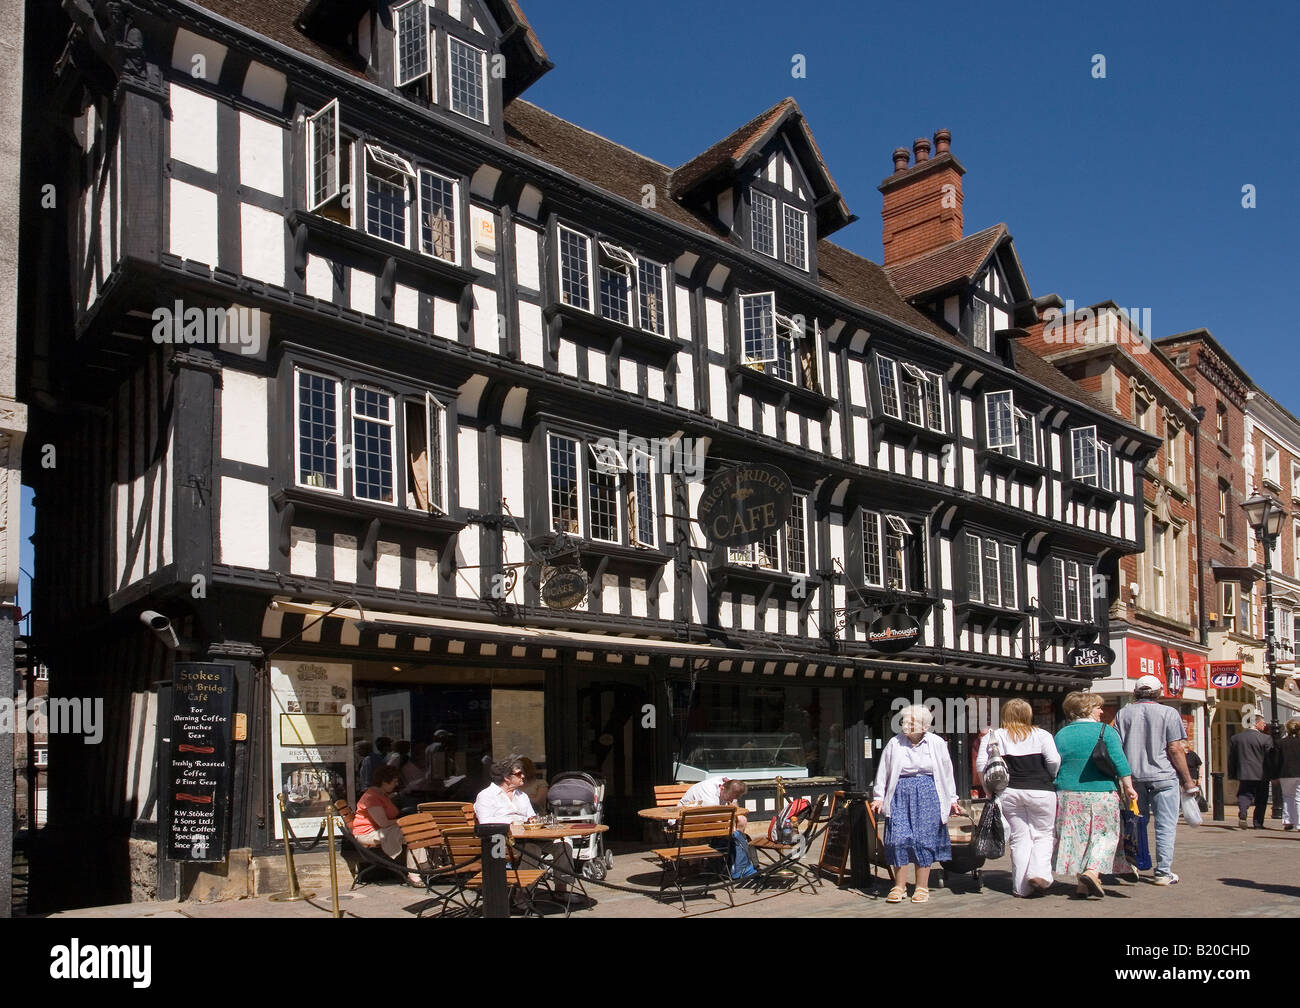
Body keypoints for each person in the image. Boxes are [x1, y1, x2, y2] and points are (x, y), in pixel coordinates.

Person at [871, 704, 962, 905]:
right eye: (904, 722)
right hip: (900, 794)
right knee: (898, 838)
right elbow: (883, 771)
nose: (906, 726)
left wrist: (953, 800)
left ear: (924, 726)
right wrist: (878, 796)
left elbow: (947, 773)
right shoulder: (894, 743)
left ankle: (921, 887)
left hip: (929, 793)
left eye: (911, 723)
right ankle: (899, 886)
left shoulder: (937, 743)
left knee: (924, 840)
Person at [1113, 674, 1197, 884]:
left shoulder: (1123, 714)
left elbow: (1117, 747)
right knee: (1165, 825)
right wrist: (1187, 780)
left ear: (1136, 692)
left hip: (1133, 778)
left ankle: (1134, 864)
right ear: (1159, 692)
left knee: (1134, 823)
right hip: (1164, 776)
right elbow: (1175, 748)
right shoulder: (1169, 713)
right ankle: (1163, 872)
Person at [1052, 691, 1138, 898]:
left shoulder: (1061, 734)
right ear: (1086, 709)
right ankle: (1092, 871)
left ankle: (1082, 884)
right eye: (1097, 707)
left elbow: (1054, 764)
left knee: (1078, 837)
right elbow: (1120, 762)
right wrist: (1129, 787)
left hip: (1067, 792)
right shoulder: (1105, 731)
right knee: (1105, 835)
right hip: (1100, 791)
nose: (1101, 710)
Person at [976, 698, 1060, 897]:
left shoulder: (994, 736)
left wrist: (988, 790)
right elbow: (1054, 761)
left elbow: (981, 764)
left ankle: (1021, 887)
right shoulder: (1042, 735)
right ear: (1028, 715)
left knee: (1019, 837)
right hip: (1041, 790)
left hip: (1009, 791)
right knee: (1043, 834)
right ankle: (1039, 873)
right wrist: (1050, 776)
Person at [475, 758, 576, 901]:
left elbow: (531, 818)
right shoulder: (486, 796)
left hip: (528, 837)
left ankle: (561, 890)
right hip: (501, 843)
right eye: (518, 773)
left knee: (564, 842)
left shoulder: (521, 795)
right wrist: (513, 823)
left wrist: (535, 822)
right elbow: (485, 825)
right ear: (506, 778)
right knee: (532, 849)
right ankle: (522, 896)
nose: (523, 776)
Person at [352, 765, 421, 884]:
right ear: (384, 781)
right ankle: (417, 872)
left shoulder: (381, 794)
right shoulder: (371, 797)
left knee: (417, 832)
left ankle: (422, 868)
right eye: (394, 781)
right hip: (368, 834)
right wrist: (405, 819)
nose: (396, 784)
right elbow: (383, 823)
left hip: (380, 831)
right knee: (413, 835)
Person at [680, 777, 758, 880]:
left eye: (733, 798)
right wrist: (730, 829)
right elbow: (714, 816)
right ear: (721, 788)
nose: (730, 800)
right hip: (690, 818)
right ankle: (695, 864)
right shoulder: (708, 794)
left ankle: (733, 858)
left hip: (711, 816)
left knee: (742, 820)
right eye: (730, 797)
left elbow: (734, 807)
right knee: (724, 829)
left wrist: (733, 821)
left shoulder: (730, 784)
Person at [1229, 715, 1275, 829]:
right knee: (1261, 798)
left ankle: (1243, 811)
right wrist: (1272, 773)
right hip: (1261, 773)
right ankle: (1258, 823)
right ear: (1256, 723)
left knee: (1244, 794)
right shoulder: (1266, 739)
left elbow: (1232, 758)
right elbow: (1270, 757)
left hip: (1244, 772)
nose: (1265, 725)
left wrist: (1232, 772)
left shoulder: (1236, 738)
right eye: (1263, 723)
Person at [1270, 720, 1300, 831]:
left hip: (1285, 773)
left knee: (1287, 797)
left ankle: (1288, 821)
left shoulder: (1280, 743)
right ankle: (1299, 823)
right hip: (1299, 773)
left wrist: (1274, 776)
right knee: (1299, 798)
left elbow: (1276, 761)